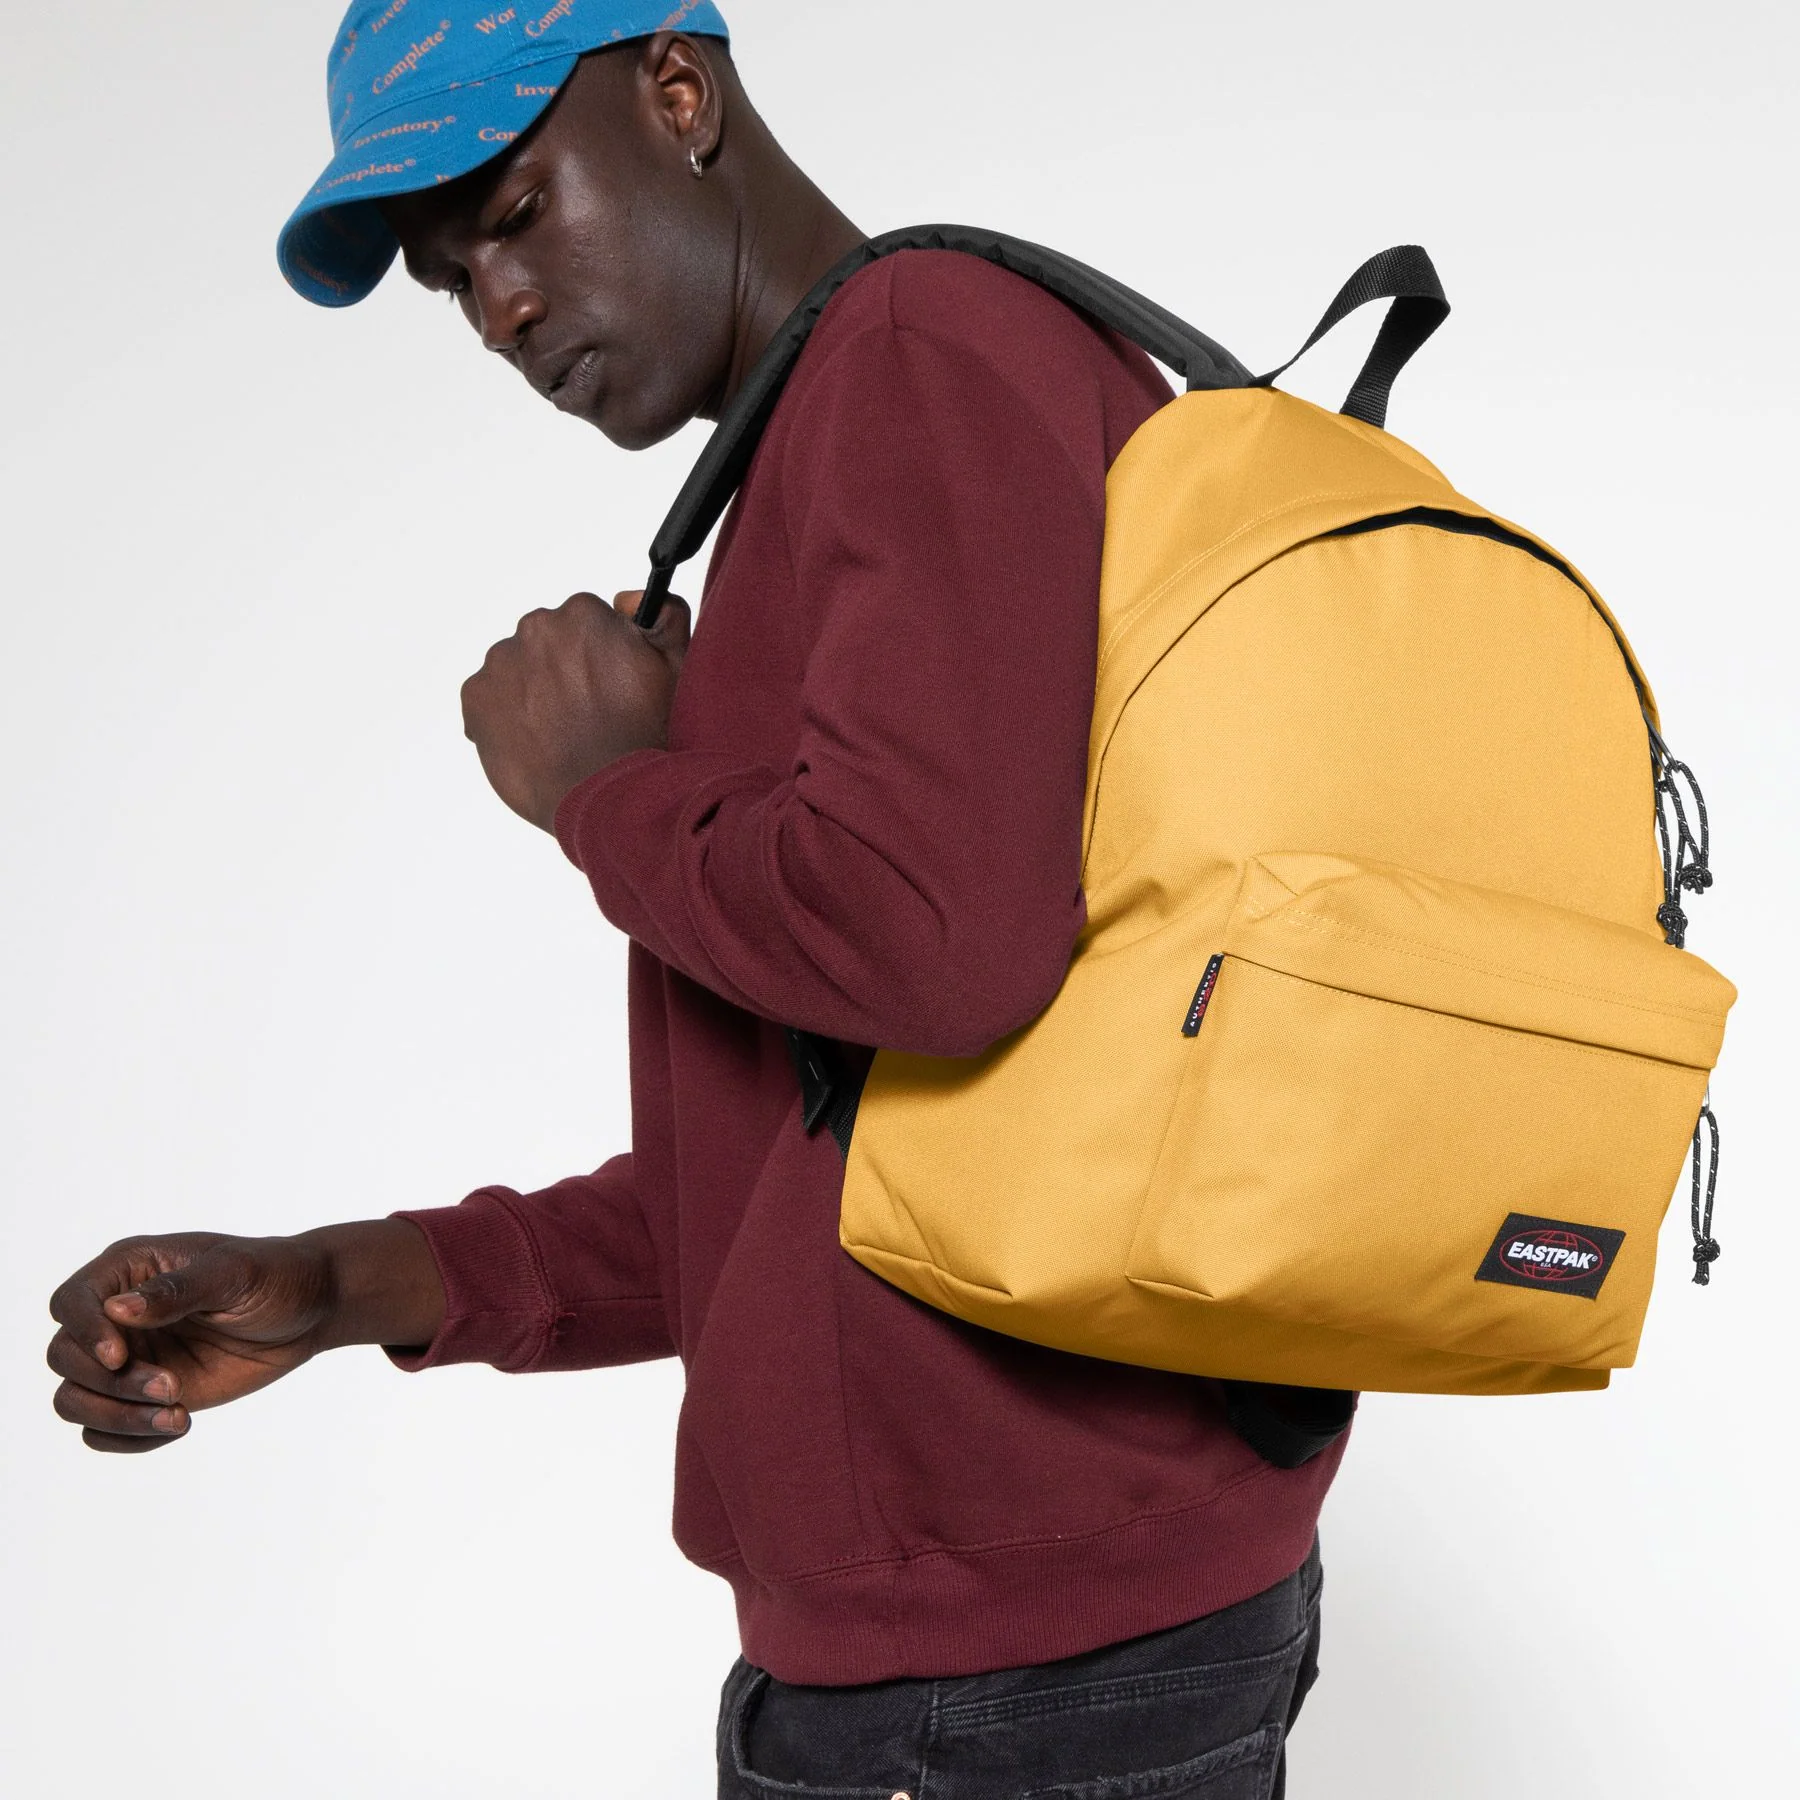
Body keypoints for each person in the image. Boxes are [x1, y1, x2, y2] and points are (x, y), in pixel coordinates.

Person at [45, 5, 1343, 1793]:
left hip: (1006, 1684)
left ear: (678, 91)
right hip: (1006, 1658)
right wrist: (338, 1284)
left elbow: (934, 951)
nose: (500, 312)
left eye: (514, 215)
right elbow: (786, 1191)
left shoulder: (916, 353)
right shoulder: (828, 448)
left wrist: (606, 794)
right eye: (452, 282)